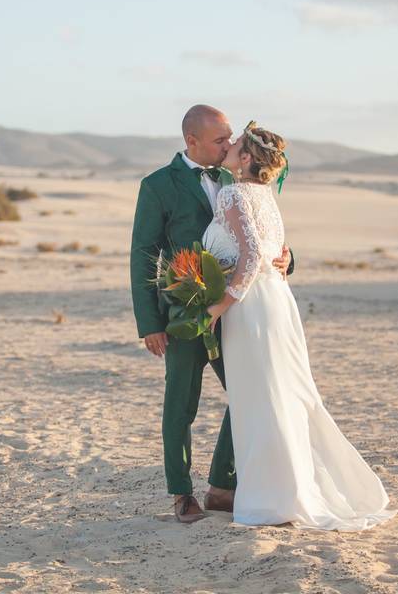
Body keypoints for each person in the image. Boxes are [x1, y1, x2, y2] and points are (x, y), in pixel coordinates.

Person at [203, 122, 397, 530]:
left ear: (247, 158)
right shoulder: (265, 196)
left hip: (251, 307)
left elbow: (253, 258)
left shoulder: (234, 193)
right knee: (279, 395)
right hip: (275, 302)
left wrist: (218, 307)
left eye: (236, 143)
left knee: (262, 398)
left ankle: (276, 497)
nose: (230, 145)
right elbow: (269, 254)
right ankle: (284, 490)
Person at [129, 106, 294, 523]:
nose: (228, 145)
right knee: (181, 404)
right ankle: (182, 494)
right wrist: (150, 323)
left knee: (246, 394)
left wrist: (287, 260)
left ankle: (222, 486)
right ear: (191, 141)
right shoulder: (157, 186)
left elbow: (258, 234)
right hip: (184, 312)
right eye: (220, 140)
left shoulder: (233, 178)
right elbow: (144, 255)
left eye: (229, 139)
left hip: (236, 313)